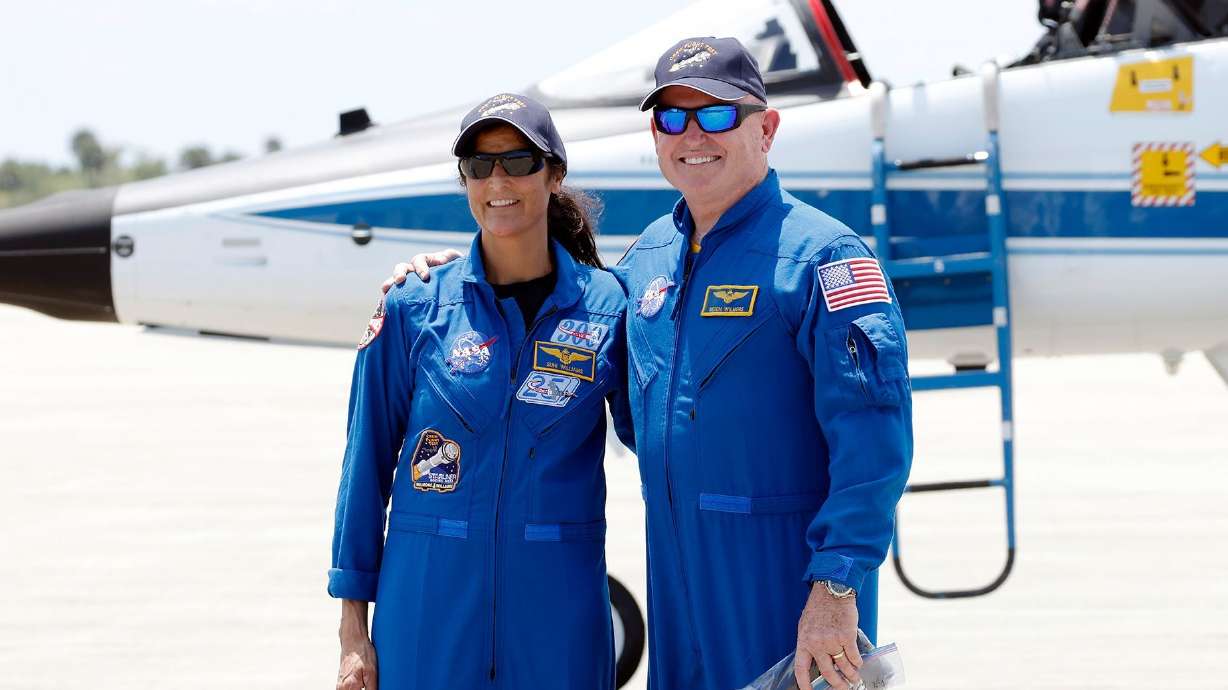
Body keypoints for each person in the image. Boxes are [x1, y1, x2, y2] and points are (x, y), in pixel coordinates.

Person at [387, 37, 913, 690]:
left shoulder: (824, 260)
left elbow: (874, 444)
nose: (693, 135)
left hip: (788, 585)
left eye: (717, 114)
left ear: (766, 128)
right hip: (677, 585)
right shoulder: (646, 263)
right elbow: (568, 331)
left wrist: (836, 588)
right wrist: (448, 276)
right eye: (672, 117)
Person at [329, 92, 634, 690]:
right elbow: (362, 470)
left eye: (518, 161)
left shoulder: (608, 308)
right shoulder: (413, 306)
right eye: (478, 163)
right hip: (427, 610)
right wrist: (352, 633)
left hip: (557, 614)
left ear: (554, 174)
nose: (498, 179)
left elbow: (666, 442)